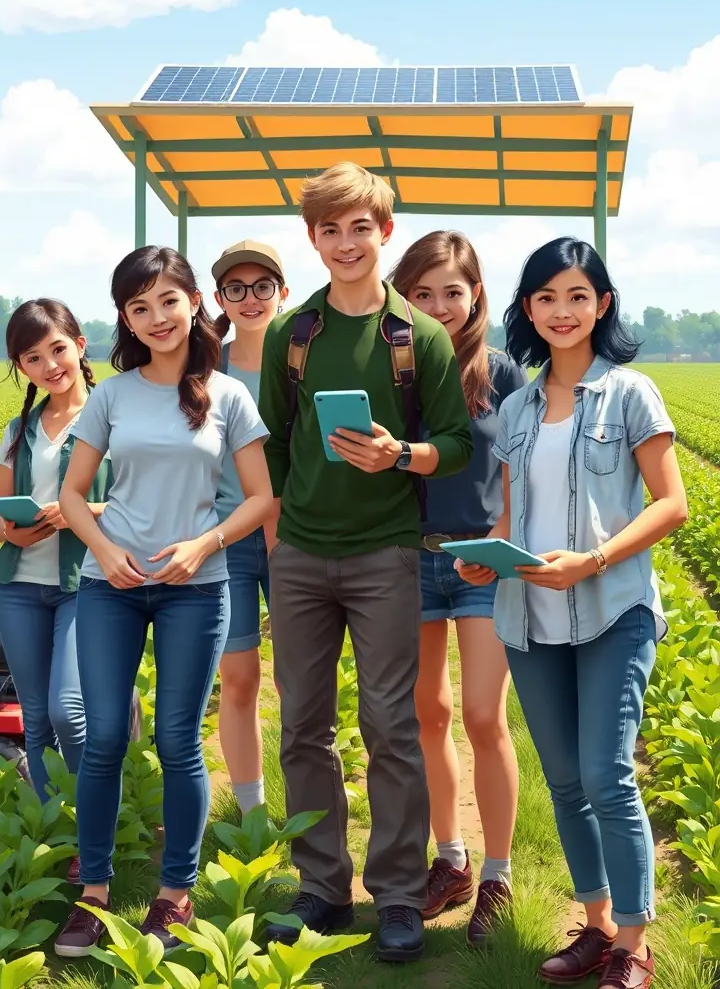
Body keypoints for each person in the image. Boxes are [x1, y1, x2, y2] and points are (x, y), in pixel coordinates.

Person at [455, 237, 687, 989]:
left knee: (607, 773)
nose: (563, 311)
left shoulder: (630, 394)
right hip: (529, 616)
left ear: (602, 305)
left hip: (612, 608)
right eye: (547, 298)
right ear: (528, 308)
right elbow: (516, 514)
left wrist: (594, 560)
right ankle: (592, 927)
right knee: (563, 780)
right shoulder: (518, 406)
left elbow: (672, 505)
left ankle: (634, 942)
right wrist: (486, 555)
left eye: (578, 296)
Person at [258, 162, 474, 963]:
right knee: (302, 729)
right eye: (328, 229)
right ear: (312, 239)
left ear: (385, 233)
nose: (345, 243)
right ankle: (320, 890)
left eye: (360, 228)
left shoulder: (419, 339)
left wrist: (400, 456)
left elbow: (453, 444)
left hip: (386, 554)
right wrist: (285, 538)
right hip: (303, 559)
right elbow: (277, 445)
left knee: (392, 727)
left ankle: (395, 895)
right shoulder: (293, 334)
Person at [54, 246, 273, 957]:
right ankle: (93, 893)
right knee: (106, 738)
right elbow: (72, 494)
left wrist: (203, 547)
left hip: (194, 590)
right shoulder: (113, 395)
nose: (157, 318)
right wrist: (107, 552)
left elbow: (262, 498)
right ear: (125, 317)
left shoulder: (229, 394)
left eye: (168, 301)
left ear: (192, 303)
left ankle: (174, 893)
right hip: (110, 587)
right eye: (139, 307)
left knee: (179, 741)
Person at [387, 231, 526, 942]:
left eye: (453, 291)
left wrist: (496, 544)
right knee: (425, 716)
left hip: (480, 564)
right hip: (408, 561)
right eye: (423, 293)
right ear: (402, 297)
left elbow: (517, 472)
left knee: (480, 715)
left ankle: (498, 877)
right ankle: (451, 859)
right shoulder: (393, 372)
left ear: (476, 294)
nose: (440, 306)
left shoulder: (500, 374)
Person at [0, 299, 113, 885]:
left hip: (82, 582)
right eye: (32, 357)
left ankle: (95, 834)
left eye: (57, 348)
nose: (49, 364)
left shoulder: (112, 417)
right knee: (33, 719)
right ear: (22, 367)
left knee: (69, 709)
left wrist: (80, 512)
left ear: (80, 345)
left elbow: (136, 505)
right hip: (17, 584)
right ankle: (57, 833)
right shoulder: (20, 430)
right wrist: (13, 527)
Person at [212, 239, 289, 816]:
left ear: (282, 294)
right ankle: (252, 815)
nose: (250, 299)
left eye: (262, 287)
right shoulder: (204, 368)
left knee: (298, 681)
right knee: (238, 680)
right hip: (228, 538)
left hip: (297, 539)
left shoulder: (305, 363)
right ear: (220, 298)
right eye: (235, 289)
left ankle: (313, 801)